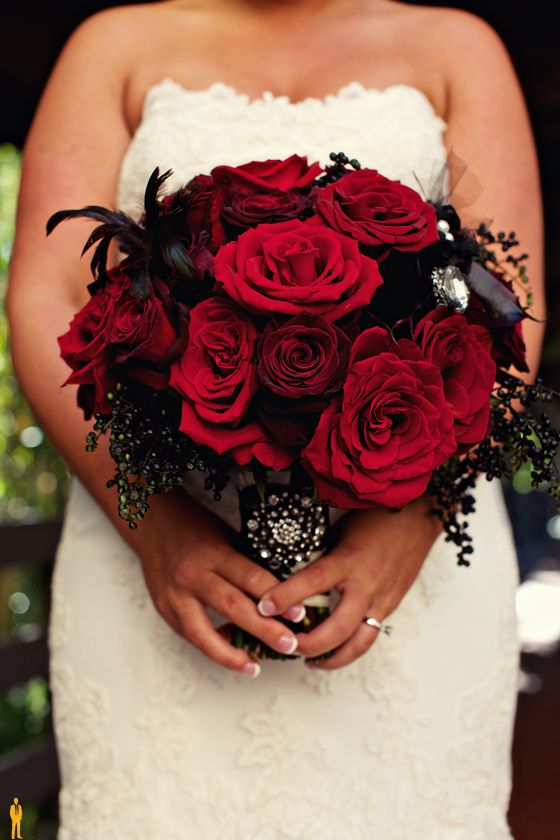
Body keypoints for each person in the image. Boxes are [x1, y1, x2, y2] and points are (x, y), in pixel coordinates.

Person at [6, 0, 545, 837]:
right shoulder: (112, 44)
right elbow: (47, 298)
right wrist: (155, 528)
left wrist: (408, 527)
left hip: (412, 574)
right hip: (152, 552)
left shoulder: (457, 46)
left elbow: (510, 310)